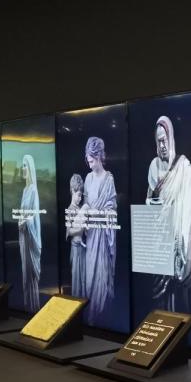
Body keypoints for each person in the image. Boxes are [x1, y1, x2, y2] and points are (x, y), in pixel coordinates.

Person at [146, 116, 191, 311]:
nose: (163, 145)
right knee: (160, 298)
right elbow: (148, 200)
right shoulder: (153, 167)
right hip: (158, 240)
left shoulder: (182, 165)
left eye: (165, 139)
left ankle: (178, 331)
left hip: (176, 240)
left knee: (177, 292)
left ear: (171, 138)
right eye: (159, 141)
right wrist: (153, 205)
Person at [82, 136, 118, 325]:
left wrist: (100, 212)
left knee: (101, 277)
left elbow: (112, 209)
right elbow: (86, 203)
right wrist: (86, 211)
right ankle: (92, 315)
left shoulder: (108, 178)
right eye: (87, 161)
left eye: (92, 161)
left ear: (98, 157)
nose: (89, 165)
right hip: (91, 236)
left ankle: (102, 315)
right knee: (90, 278)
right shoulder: (88, 178)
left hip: (102, 238)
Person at [18, 155, 42, 311]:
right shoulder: (25, 189)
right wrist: (20, 221)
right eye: (22, 165)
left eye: (25, 165)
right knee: (25, 273)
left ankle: (34, 307)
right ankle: (28, 306)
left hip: (30, 237)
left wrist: (25, 221)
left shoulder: (33, 189)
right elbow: (22, 213)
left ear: (31, 168)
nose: (23, 168)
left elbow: (34, 215)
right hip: (24, 237)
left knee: (31, 275)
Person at [66, 174, 87, 299]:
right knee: (77, 279)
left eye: (81, 196)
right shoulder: (70, 209)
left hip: (82, 247)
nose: (79, 198)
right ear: (72, 191)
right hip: (75, 248)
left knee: (83, 278)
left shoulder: (79, 208)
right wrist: (80, 229)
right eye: (78, 195)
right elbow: (68, 232)